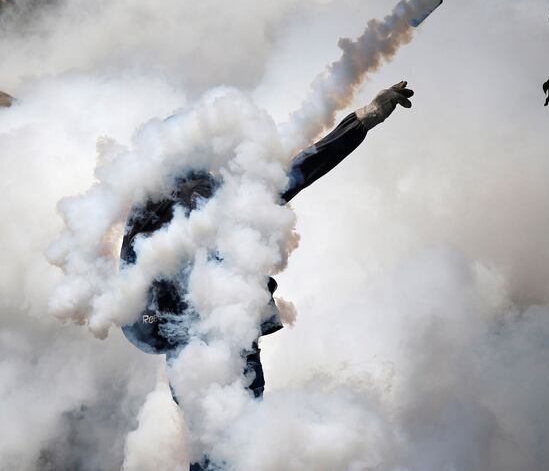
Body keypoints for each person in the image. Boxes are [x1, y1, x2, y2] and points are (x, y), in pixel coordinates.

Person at [120, 81, 414, 469]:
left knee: (235, 449)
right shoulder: (156, 208)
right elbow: (129, 302)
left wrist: (362, 120)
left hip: (230, 346)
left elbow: (302, 168)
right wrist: (171, 332)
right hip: (199, 355)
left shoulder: (218, 191)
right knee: (225, 450)